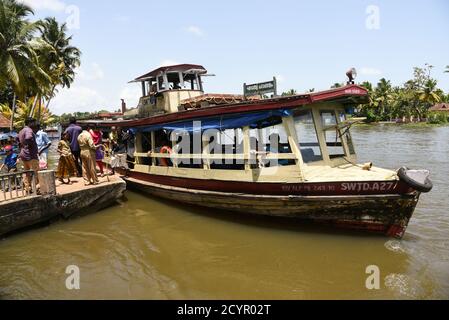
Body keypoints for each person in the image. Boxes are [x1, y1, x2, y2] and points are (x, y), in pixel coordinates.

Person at [18, 118, 40, 192]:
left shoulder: (21, 131)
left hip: (23, 154)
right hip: (30, 155)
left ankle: (28, 188)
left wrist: (23, 146)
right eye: (33, 122)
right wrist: (28, 145)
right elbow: (29, 137)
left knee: (26, 173)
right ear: (30, 123)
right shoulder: (29, 130)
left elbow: (17, 140)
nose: (34, 124)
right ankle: (37, 188)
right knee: (36, 172)